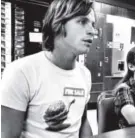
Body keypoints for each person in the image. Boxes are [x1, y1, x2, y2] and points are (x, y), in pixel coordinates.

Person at [1, 0, 97, 137]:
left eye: (93, 25)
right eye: (82, 22)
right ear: (57, 24)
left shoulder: (85, 74)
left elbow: (83, 122)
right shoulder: (21, 72)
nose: (92, 31)